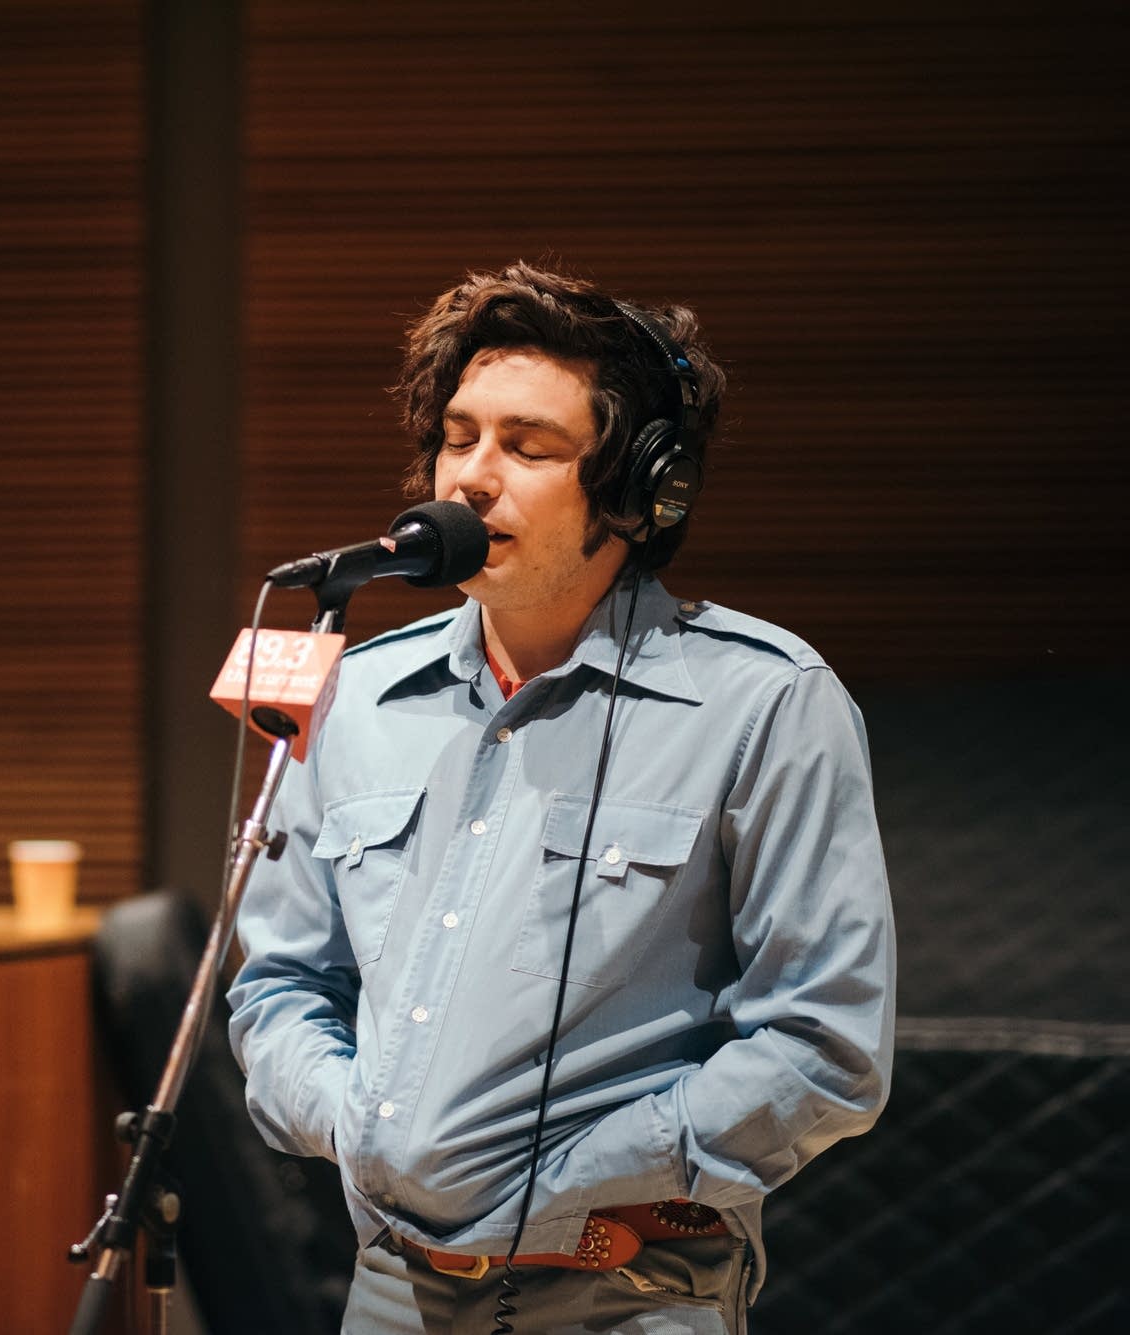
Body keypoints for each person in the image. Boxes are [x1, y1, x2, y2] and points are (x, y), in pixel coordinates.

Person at [226, 261, 895, 1334]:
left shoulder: (764, 702)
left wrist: (557, 1185)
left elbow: (826, 1047)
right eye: (458, 438)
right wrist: (372, 1135)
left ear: (639, 489)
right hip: (390, 1286)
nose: (471, 478)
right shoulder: (358, 698)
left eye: (527, 446)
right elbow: (280, 988)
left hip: (624, 1286)